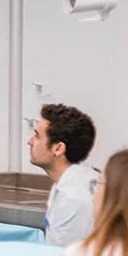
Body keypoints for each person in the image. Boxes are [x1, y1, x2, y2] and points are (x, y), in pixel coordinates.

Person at [29, 103, 98, 247]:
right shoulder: (69, 184)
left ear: (58, 149)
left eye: (37, 136)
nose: (29, 142)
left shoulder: (73, 198)